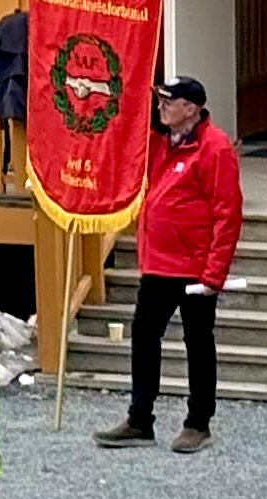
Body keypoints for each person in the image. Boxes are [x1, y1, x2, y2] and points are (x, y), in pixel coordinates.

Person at [101, 75, 241, 452]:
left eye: (169, 101)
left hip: (194, 268)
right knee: (145, 337)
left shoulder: (215, 148)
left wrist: (215, 272)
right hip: (160, 264)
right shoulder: (162, 142)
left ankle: (199, 422)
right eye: (160, 100)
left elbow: (228, 213)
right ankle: (139, 419)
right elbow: (126, 121)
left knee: (198, 343)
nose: (160, 106)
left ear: (191, 109)